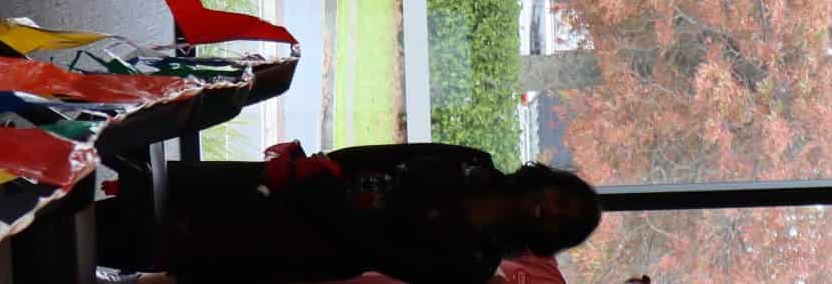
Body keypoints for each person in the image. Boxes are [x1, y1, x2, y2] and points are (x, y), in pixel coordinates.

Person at [117, 145, 599, 284]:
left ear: (550, 237)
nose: (550, 208)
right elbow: (386, 154)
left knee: (176, 246)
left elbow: (385, 253)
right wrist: (323, 166)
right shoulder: (476, 162)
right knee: (164, 196)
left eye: (560, 219)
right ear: (550, 182)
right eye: (560, 198)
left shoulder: (474, 265)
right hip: (307, 182)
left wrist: (325, 199)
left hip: (311, 245)